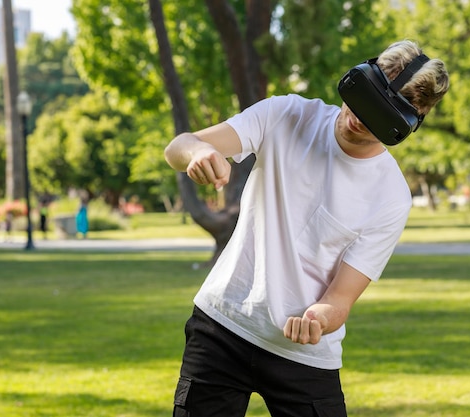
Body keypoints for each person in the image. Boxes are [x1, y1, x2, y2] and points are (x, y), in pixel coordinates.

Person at [164, 40, 450, 417]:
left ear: (404, 125)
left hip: (302, 354)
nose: (358, 118)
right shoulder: (287, 115)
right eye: (361, 97)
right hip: (222, 325)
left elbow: (340, 298)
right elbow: (179, 146)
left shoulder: (391, 196)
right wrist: (198, 153)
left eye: (378, 116)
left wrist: (318, 318)